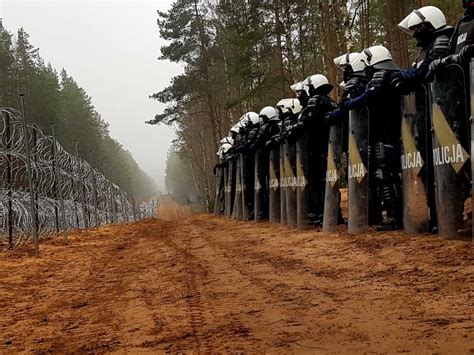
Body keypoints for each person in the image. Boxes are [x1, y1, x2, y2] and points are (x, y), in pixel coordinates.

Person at [328, 45, 403, 231]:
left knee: (385, 175)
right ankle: (383, 214)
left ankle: (394, 215)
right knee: (379, 176)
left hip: (385, 134)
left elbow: (368, 97)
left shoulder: (381, 77)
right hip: (378, 135)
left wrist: (348, 103)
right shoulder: (379, 78)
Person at [393, 6, 453, 233]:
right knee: (427, 167)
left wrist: (406, 75)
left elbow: (426, 71)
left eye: (418, 27)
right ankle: (437, 215)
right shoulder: (427, 47)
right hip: (425, 117)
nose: (416, 32)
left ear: (431, 23)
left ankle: (448, 215)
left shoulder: (442, 40)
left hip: (443, 116)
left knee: (446, 167)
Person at [251, 106, 281, 220]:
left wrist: (253, 146)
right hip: (273, 160)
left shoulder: (265, 127)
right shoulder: (276, 126)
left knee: (266, 186)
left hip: (266, 160)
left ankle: (268, 210)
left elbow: (257, 141)